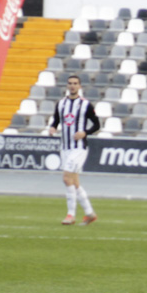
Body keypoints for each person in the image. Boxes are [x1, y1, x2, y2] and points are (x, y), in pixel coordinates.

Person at [47, 75, 100, 225]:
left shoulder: (85, 105)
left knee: (66, 178)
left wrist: (85, 133)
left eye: (75, 83)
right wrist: (52, 128)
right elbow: (56, 120)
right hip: (65, 147)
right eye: (70, 83)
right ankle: (90, 213)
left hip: (79, 147)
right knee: (74, 182)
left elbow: (97, 125)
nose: (72, 86)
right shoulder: (61, 103)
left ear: (80, 86)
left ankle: (71, 215)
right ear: (67, 85)